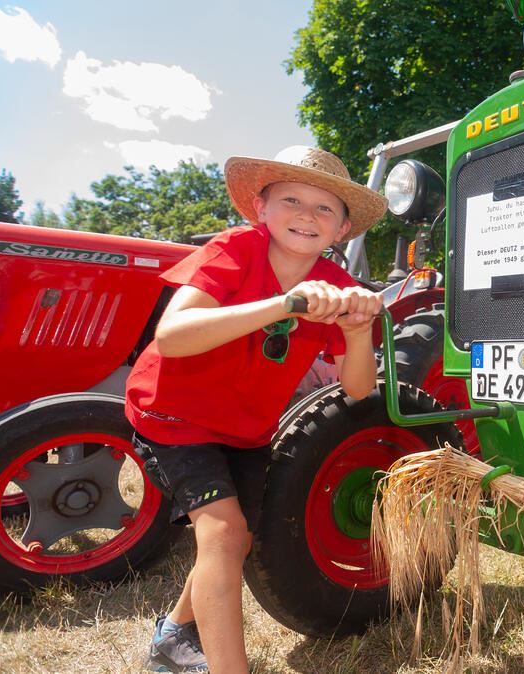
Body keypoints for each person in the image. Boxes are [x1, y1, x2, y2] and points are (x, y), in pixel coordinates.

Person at [127, 146, 388, 673]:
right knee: (221, 531)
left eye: (324, 209)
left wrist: (358, 333)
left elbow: (358, 389)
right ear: (261, 209)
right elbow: (173, 338)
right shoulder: (233, 251)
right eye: (291, 199)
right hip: (172, 415)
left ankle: (174, 636)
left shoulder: (341, 291)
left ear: (342, 231)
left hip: (245, 428)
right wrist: (283, 304)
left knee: (238, 537)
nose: (306, 216)